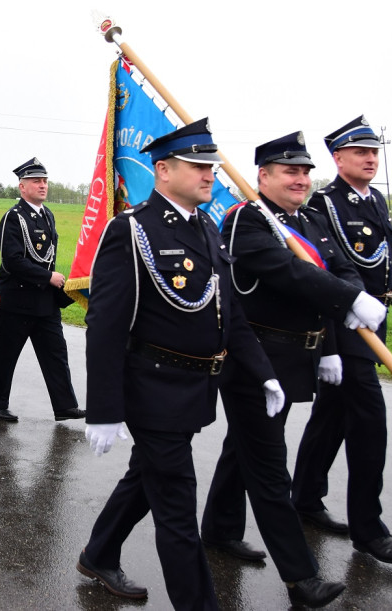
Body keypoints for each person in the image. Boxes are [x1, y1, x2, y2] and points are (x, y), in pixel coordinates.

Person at [76, 119, 281, 609]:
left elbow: (229, 314)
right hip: (152, 393)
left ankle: (99, 553)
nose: (209, 175)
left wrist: (264, 371)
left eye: (211, 166)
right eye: (198, 166)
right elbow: (106, 327)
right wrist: (104, 408)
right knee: (178, 513)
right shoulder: (132, 230)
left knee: (145, 479)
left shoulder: (207, 227)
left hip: (193, 391)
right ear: (163, 171)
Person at [199, 131, 381, 607]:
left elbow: (341, 267)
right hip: (256, 361)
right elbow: (290, 272)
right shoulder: (246, 221)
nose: (300, 179)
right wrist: (347, 299)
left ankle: (218, 530)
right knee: (269, 468)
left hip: (296, 357)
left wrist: (332, 338)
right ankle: (302, 578)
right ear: (263, 176)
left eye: (304, 172)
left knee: (243, 448)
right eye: (289, 171)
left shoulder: (312, 219)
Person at [292, 116, 392, 564]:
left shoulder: (375, 202)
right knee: (370, 424)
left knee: (332, 417)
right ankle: (369, 530)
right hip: (346, 330)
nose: (371, 159)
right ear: (338, 159)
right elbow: (323, 277)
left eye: (375, 152)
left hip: (375, 328)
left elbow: (388, 269)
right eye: (361, 153)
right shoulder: (324, 207)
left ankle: (306, 498)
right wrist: (330, 348)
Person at [0, 158, 85, 423]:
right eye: (36, 181)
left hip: (45, 303)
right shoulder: (13, 218)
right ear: (22, 187)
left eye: (45, 181)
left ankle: (65, 405)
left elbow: (46, 256)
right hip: (17, 301)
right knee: (6, 355)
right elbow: (12, 260)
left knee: (56, 354)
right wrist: (48, 276)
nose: (43, 185)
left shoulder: (48, 215)